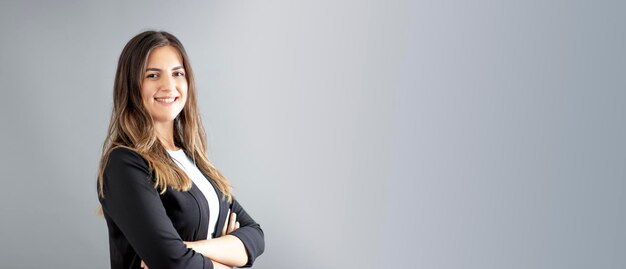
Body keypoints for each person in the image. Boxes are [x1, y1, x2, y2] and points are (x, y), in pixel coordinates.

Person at [96, 30, 265, 269]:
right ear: (131, 85)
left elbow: (255, 236)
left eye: (178, 73)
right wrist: (226, 257)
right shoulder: (125, 164)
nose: (169, 85)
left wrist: (190, 248)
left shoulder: (193, 161)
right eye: (153, 75)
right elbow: (173, 263)